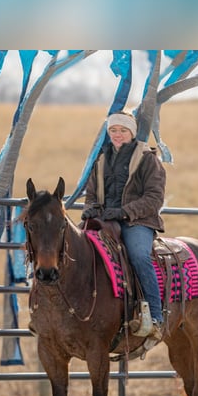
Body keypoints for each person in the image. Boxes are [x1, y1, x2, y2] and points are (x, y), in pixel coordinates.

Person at [81, 111, 166, 343]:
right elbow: (91, 193)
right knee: (74, 249)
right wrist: (90, 208)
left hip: (137, 221)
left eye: (122, 130)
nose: (117, 135)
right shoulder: (101, 160)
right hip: (104, 219)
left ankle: (156, 317)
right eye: (113, 130)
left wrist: (124, 212)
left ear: (132, 132)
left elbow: (154, 198)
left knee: (139, 255)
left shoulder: (148, 159)